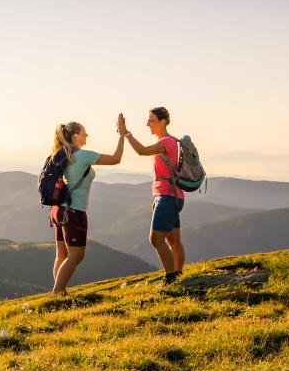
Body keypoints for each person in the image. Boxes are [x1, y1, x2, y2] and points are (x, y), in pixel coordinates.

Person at [48, 116, 128, 296]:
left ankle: (59, 293)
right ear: (75, 136)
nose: (87, 135)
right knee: (76, 256)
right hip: (74, 211)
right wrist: (122, 135)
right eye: (84, 132)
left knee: (61, 255)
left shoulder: (61, 154)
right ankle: (57, 293)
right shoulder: (82, 155)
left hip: (58, 210)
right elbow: (115, 159)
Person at [119, 107, 187, 284]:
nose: (147, 123)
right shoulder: (173, 141)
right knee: (173, 240)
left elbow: (142, 150)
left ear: (162, 122)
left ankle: (170, 277)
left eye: (151, 120)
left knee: (155, 239)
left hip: (168, 197)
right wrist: (157, 199)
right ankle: (178, 275)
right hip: (172, 196)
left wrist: (127, 134)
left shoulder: (167, 142)